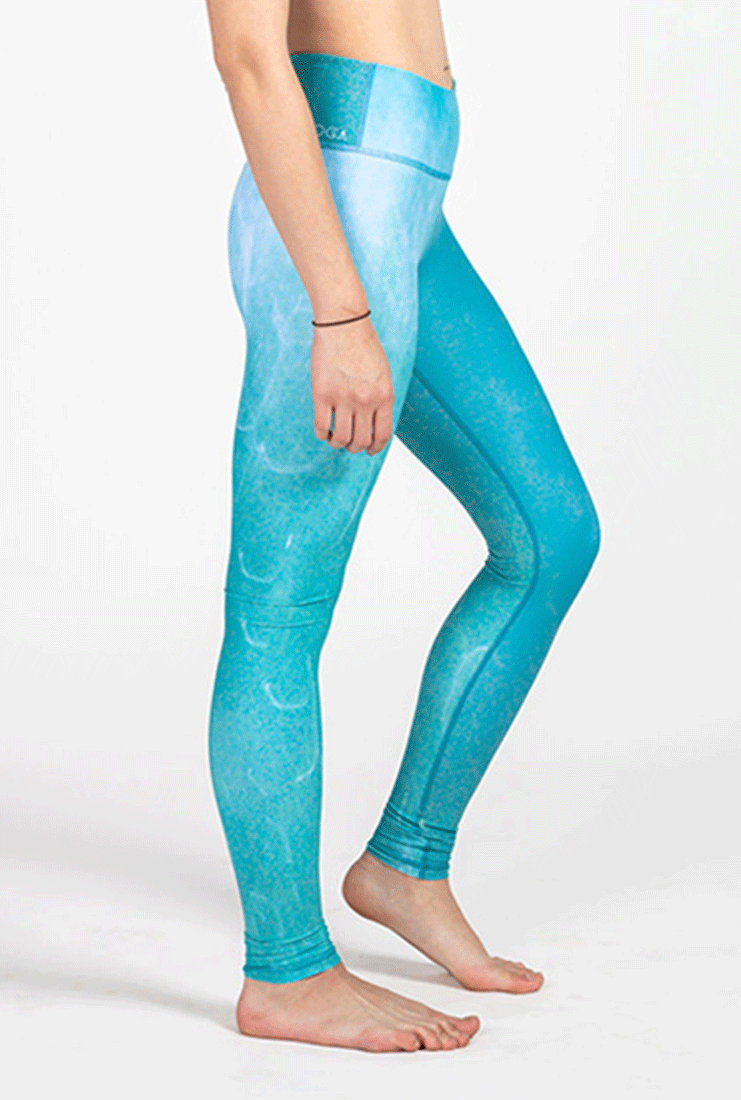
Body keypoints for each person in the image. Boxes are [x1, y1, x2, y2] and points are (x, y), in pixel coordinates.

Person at [204, 0, 601, 1054]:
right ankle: (286, 970)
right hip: (341, 215)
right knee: (277, 616)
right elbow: (248, 56)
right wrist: (339, 312)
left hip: (407, 199)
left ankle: (405, 863)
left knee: (552, 535)